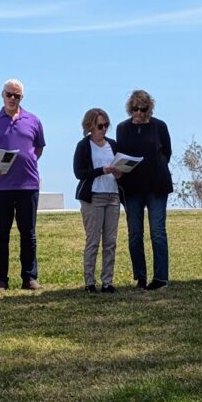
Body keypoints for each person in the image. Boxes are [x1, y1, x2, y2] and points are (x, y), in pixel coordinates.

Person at [0, 79, 46, 291]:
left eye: (17, 96)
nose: (12, 99)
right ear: (2, 95)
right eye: (9, 94)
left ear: (21, 98)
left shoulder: (33, 120)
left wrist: (27, 162)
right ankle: (0, 279)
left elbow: (38, 148)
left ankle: (29, 277)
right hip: (1, 187)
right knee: (1, 235)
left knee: (28, 233)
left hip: (28, 186)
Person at [114, 90, 173, 290]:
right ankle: (140, 275)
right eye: (135, 109)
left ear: (149, 109)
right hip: (132, 187)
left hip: (157, 186)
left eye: (143, 109)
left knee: (157, 232)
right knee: (135, 233)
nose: (139, 113)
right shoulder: (122, 128)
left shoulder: (159, 126)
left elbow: (167, 152)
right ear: (130, 108)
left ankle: (160, 277)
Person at [74, 108, 122, 293]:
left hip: (113, 195)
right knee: (93, 240)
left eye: (106, 125)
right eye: (99, 126)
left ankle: (107, 281)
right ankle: (89, 282)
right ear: (90, 127)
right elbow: (79, 172)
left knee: (110, 241)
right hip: (93, 197)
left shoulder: (113, 145)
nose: (103, 129)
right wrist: (101, 170)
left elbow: (119, 166)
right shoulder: (84, 146)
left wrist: (118, 173)